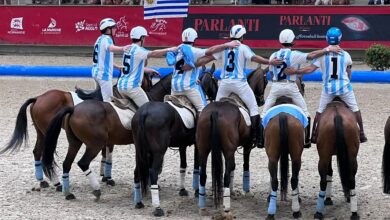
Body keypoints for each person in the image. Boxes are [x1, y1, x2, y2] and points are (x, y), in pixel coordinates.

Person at [193, 24, 282, 148]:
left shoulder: (224, 48)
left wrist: (193, 64)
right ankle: (257, 138)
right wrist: (269, 62)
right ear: (242, 37)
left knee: (214, 108)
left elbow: (206, 59)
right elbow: (255, 58)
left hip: (224, 85)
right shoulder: (244, 47)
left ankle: (207, 135)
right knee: (254, 108)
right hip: (239, 84)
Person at [260, 29, 341, 148]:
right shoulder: (295, 54)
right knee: (305, 113)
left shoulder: (273, 55)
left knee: (263, 113)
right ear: (292, 41)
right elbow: (312, 55)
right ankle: (307, 140)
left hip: (276, 87)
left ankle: (261, 141)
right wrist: (327, 49)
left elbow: (271, 74)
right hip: (291, 87)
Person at [284, 27, 367, 143]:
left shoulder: (322, 54)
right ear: (340, 39)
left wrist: (295, 71)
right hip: (344, 88)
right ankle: (362, 133)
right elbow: (349, 73)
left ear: (327, 39)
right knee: (355, 108)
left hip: (328, 89)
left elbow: (309, 70)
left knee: (319, 111)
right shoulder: (346, 55)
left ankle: (313, 135)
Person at [168, 28, 240, 115]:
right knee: (202, 110)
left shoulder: (176, 50)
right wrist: (227, 45)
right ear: (194, 39)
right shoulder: (193, 50)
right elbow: (210, 50)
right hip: (188, 88)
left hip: (174, 88)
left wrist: (195, 79)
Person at [117, 26, 177, 108]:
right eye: (144, 38)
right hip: (132, 88)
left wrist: (148, 70)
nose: (144, 40)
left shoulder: (128, 48)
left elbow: (133, 67)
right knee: (148, 109)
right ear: (141, 38)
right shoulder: (139, 50)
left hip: (120, 87)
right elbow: (154, 53)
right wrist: (169, 49)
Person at [91, 18, 130, 102]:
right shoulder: (107, 39)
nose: (116, 29)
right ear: (108, 29)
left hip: (95, 73)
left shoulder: (99, 39)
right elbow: (111, 48)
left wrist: (116, 66)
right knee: (108, 102)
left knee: (99, 99)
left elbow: (102, 59)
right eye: (114, 27)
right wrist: (122, 48)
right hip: (104, 75)